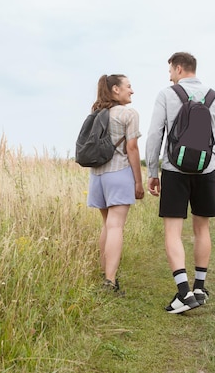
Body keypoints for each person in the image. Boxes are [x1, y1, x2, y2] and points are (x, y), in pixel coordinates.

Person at [145, 52, 215, 313]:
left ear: (179, 68)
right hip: (206, 170)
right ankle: (199, 288)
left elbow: (154, 134)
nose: (170, 76)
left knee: (173, 231)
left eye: (171, 71)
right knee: (202, 229)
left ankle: (183, 294)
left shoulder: (166, 95)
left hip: (174, 169)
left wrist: (153, 170)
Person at [87, 74, 144, 295]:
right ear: (115, 90)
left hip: (97, 175)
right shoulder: (129, 114)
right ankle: (110, 281)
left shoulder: (97, 114)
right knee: (116, 226)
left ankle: (106, 274)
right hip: (118, 173)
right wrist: (138, 181)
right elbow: (132, 148)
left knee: (107, 226)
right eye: (128, 86)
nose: (132, 91)